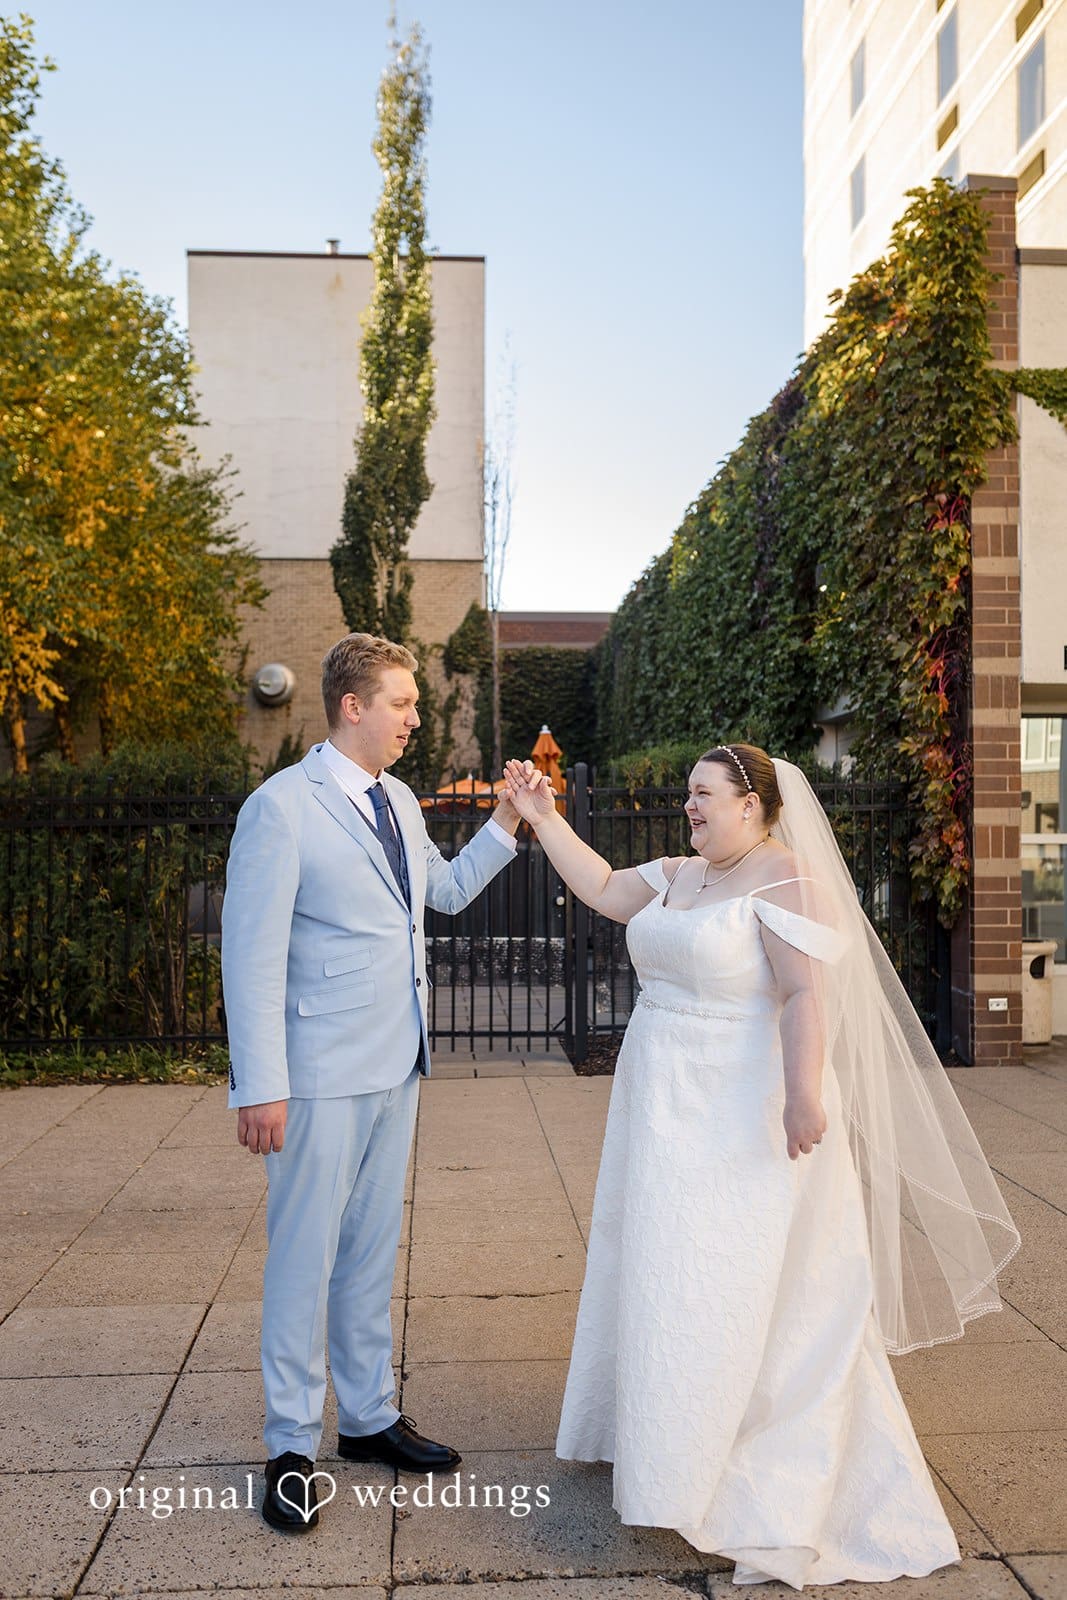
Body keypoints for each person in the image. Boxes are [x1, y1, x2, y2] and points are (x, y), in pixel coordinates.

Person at [503, 743, 1020, 1590]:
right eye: (688, 797)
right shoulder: (679, 874)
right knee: (663, 1272)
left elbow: (804, 995)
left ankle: (742, 1461)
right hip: (660, 1102)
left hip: (740, 1109)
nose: (689, 809)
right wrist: (543, 819)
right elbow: (599, 887)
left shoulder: (785, 882)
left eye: (703, 796)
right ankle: (668, 1442)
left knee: (729, 1279)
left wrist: (802, 1094)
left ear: (753, 804)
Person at [223, 633, 521, 1533]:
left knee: (365, 1252)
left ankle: (367, 1419)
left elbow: (444, 894)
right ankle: (287, 1445)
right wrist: (258, 1085)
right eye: (401, 703)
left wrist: (507, 823)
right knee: (305, 1256)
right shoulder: (280, 809)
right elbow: (251, 955)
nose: (414, 719)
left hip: (397, 1062)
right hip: (313, 1074)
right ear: (351, 706)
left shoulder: (397, 799)